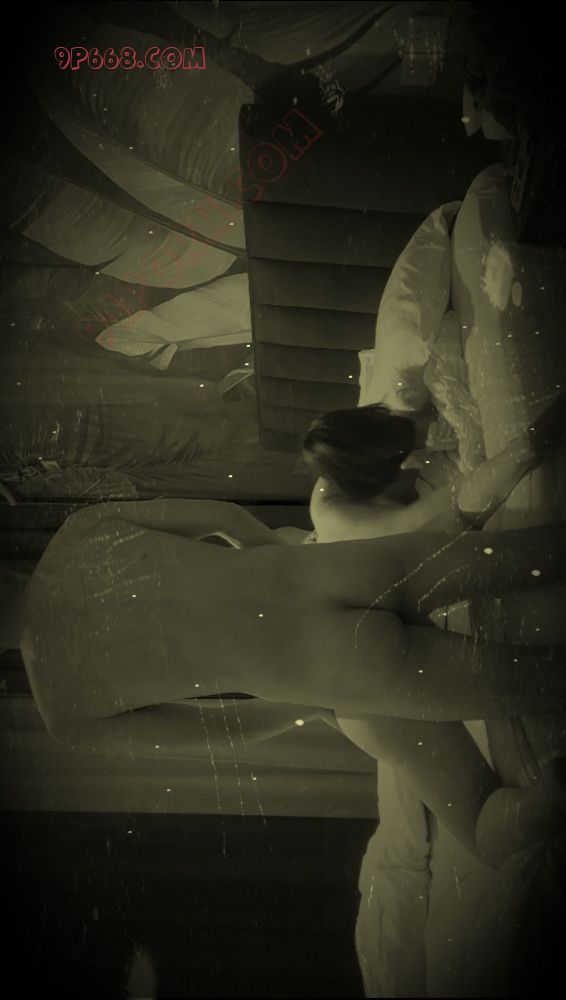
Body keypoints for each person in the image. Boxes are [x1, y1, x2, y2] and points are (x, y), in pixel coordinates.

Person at [3, 396, 565, 871]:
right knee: (533, 554)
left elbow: (223, 731)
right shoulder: (78, 532)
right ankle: (530, 451)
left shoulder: (65, 711)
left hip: (329, 664)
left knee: (532, 712)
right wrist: (285, 566)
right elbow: (224, 518)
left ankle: (550, 797)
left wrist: (313, 704)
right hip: (333, 573)